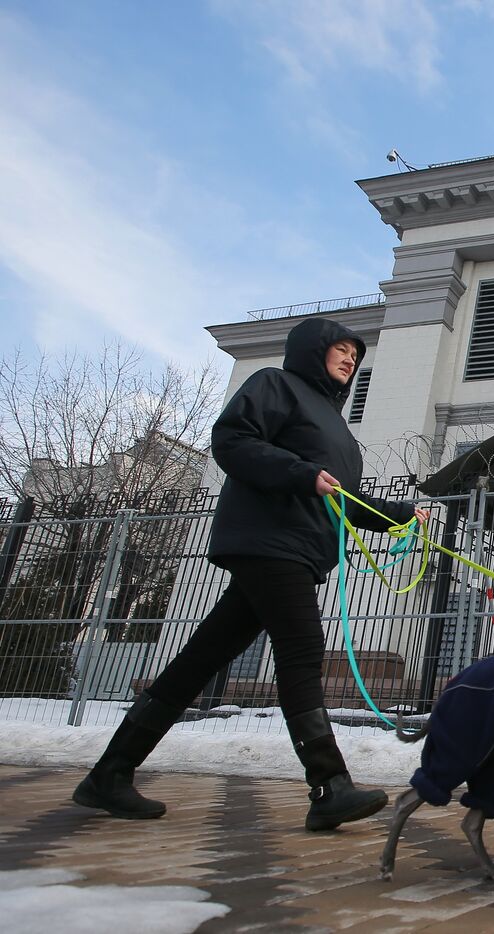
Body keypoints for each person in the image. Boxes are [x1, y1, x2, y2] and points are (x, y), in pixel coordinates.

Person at [73, 316, 427, 831]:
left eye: (355, 353)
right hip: (269, 544)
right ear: (312, 350)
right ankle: (330, 785)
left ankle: (109, 774)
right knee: (302, 653)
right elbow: (233, 441)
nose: (350, 359)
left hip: (299, 552)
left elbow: (343, 503)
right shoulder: (274, 385)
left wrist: (400, 514)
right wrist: (301, 473)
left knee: (197, 663)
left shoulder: (339, 432)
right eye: (340, 349)